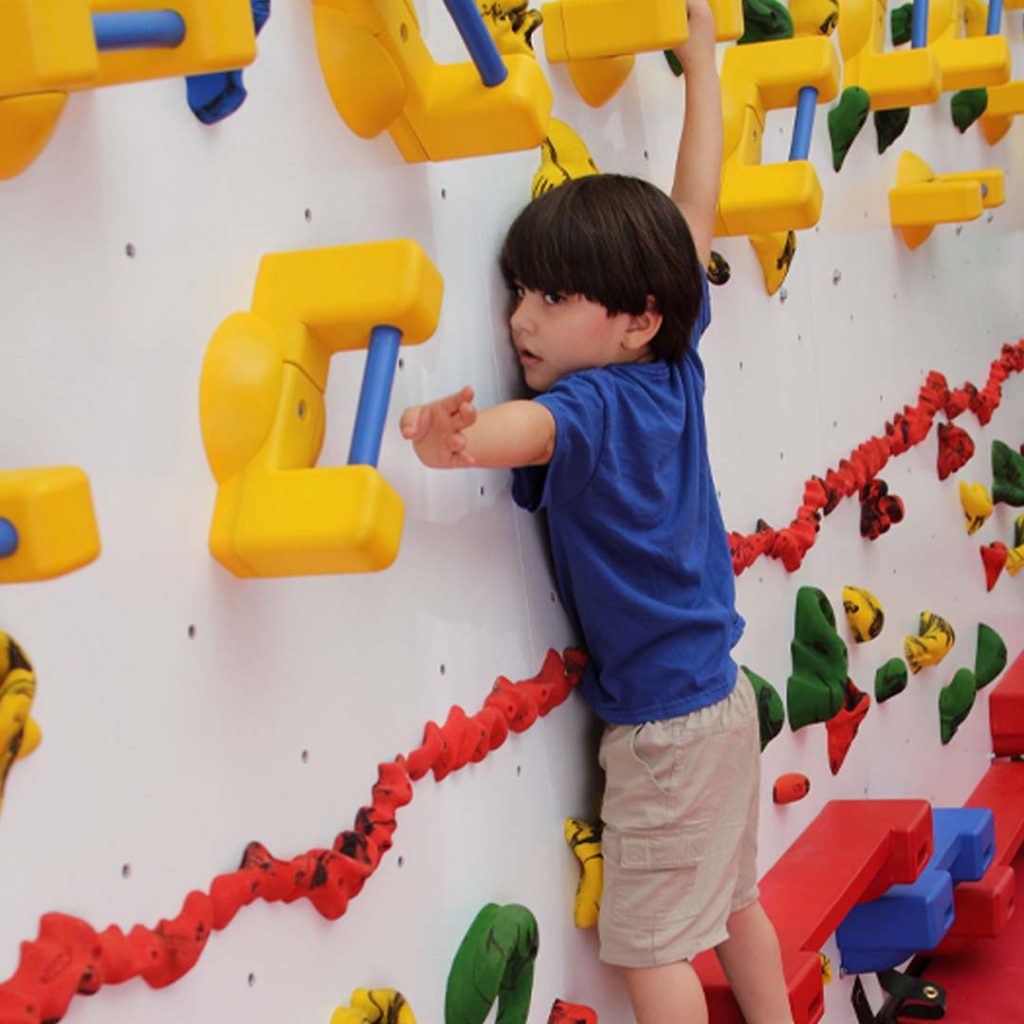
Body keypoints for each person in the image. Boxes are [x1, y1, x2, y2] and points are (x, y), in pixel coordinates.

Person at [400, 2, 794, 1021]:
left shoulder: (591, 403)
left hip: (664, 729)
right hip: (722, 696)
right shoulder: (667, 357)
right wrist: (702, 70)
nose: (519, 318)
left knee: (649, 948)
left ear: (631, 317)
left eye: (551, 298)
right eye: (519, 290)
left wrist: (456, 440)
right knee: (735, 901)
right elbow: (691, 212)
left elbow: (527, 434)